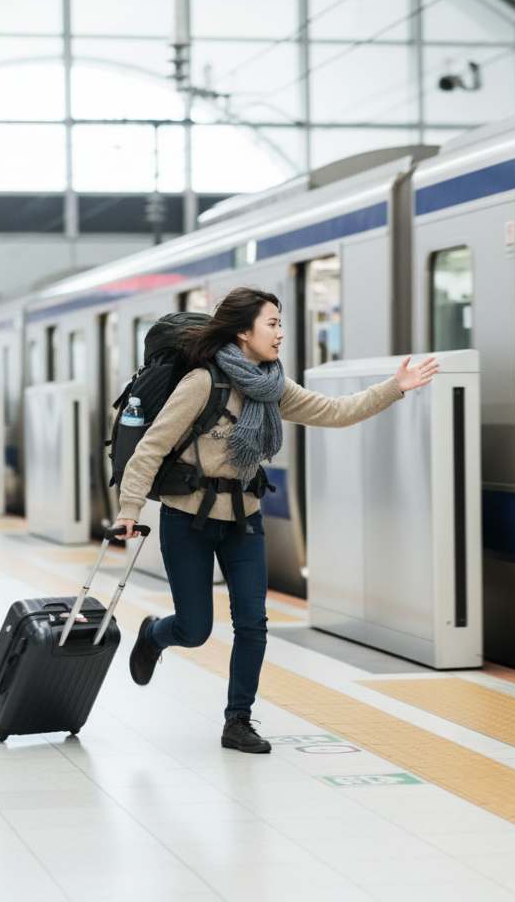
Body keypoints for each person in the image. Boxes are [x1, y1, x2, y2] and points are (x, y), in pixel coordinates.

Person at [114, 286, 438, 753]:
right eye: (272, 324)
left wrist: (394, 388)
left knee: (253, 623)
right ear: (243, 332)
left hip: (244, 518)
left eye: (280, 324)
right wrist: (129, 511)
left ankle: (238, 720)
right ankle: (155, 634)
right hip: (188, 519)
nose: (281, 334)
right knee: (195, 628)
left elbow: (334, 411)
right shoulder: (202, 383)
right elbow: (152, 447)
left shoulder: (271, 386)